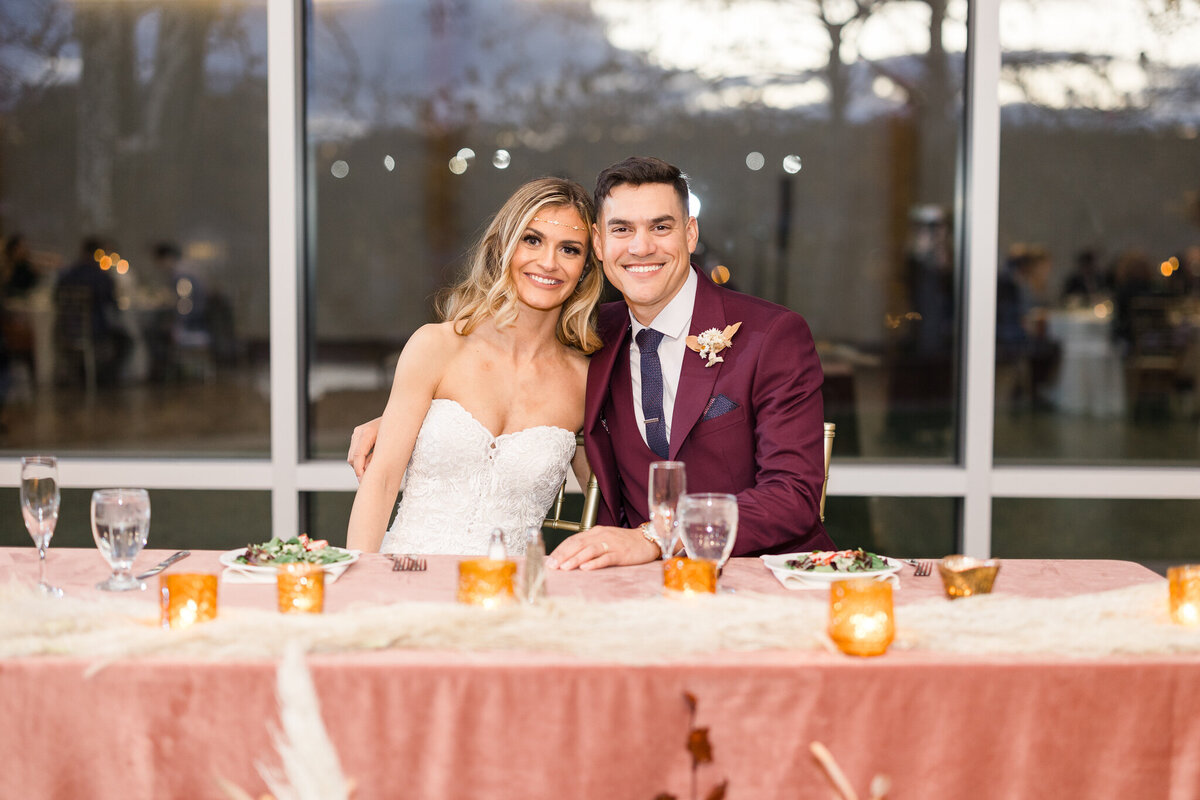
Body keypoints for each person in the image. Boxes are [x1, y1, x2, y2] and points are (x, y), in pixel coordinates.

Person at [349, 158, 835, 567]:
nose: (641, 246)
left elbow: (793, 496)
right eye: (622, 229)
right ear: (603, 247)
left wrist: (651, 538)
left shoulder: (769, 336)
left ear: (690, 233)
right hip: (628, 590)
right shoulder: (598, 343)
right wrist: (407, 421)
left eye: (660, 227)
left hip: (754, 576)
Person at [345, 177, 604, 555]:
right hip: (406, 580)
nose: (548, 262)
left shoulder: (584, 382)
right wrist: (360, 585)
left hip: (510, 596)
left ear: (585, 267)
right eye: (531, 240)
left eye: (569, 249)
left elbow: (610, 504)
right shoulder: (436, 346)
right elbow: (382, 480)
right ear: (503, 246)